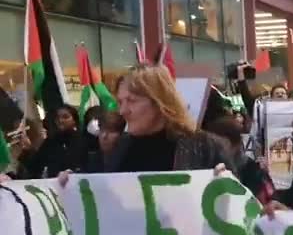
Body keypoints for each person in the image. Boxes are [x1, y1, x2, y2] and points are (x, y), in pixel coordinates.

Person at [105, 65, 234, 173]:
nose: (123, 111)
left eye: (132, 101)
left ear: (159, 103)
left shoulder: (206, 147)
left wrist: (223, 184)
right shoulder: (120, 147)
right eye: (120, 102)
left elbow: (238, 198)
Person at [25, 104, 88, 178]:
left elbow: (89, 166)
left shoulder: (83, 140)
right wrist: (28, 150)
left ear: (74, 120)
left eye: (65, 117)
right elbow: (35, 167)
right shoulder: (50, 142)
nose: (60, 120)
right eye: (57, 118)